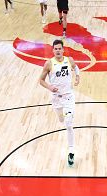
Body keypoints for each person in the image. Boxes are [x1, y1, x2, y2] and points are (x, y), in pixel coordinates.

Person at [38, 39, 80, 167]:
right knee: (61, 119)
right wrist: (49, 87)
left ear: (63, 49)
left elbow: (76, 68)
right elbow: (41, 80)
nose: (57, 50)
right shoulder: (49, 64)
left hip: (68, 97)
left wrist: (77, 77)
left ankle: (71, 150)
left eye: (59, 48)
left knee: (68, 123)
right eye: (55, 49)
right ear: (53, 50)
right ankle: (62, 117)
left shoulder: (69, 60)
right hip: (56, 98)